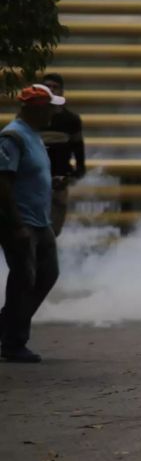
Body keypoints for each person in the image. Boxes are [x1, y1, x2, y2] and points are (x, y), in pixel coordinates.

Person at [0, 84, 65, 362]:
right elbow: (2, 182)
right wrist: (16, 225)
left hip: (40, 221)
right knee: (23, 280)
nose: (54, 112)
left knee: (47, 274)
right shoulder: (13, 137)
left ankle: (8, 327)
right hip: (22, 222)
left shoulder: (34, 136)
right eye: (50, 106)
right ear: (36, 107)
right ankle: (14, 342)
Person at [38, 73, 86, 236]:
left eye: (55, 87)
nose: (51, 90)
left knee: (53, 230)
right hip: (34, 181)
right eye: (47, 87)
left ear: (62, 91)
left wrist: (78, 170)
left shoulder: (70, 120)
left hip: (59, 179)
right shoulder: (31, 117)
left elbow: (78, 146)